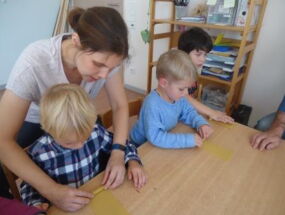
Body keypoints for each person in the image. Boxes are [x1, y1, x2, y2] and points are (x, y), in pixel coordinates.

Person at [0, 7, 131, 211]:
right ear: (77, 40)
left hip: (76, 115)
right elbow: (2, 139)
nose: (105, 76)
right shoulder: (34, 61)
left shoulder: (107, 60)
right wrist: (50, 190)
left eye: (111, 68)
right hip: (37, 121)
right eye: (98, 64)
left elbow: (120, 105)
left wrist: (117, 153)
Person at [20, 84, 146, 210]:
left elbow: (123, 145)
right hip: (64, 208)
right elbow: (28, 186)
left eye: (84, 138)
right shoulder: (39, 152)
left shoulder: (95, 132)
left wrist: (133, 162)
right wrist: (35, 204)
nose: (79, 145)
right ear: (49, 130)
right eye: (69, 143)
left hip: (96, 198)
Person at [130, 50, 213, 148]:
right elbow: (156, 137)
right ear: (164, 83)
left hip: (162, 140)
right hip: (140, 146)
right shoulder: (152, 104)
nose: (186, 93)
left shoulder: (178, 96)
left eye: (188, 88)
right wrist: (186, 140)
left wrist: (201, 123)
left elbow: (188, 112)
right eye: (182, 89)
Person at [178, 27, 234, 124]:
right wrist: (211, 112)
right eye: (198, 54)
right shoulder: (179, 71)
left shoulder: (192, 69)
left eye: (205, 55)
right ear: (184, 53)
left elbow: (190, 99)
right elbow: (184, 97)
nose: (203, 59)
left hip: (185, 112)